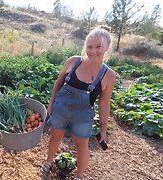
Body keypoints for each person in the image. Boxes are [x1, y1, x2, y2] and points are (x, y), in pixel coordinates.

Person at [40, 25, 116, 180]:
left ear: (107, 47)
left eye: (98, 47)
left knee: (82, 146)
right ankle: (48, 162)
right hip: (61, 109)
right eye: (89, 46)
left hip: (83, 115)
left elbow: (104, 103)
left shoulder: (108, 75)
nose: (93, 51)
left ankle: (79, 176)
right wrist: (50, 104)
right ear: (85, 47)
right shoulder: (73, 62)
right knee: (55, 137)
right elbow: (58, 84)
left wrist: (103, 129)